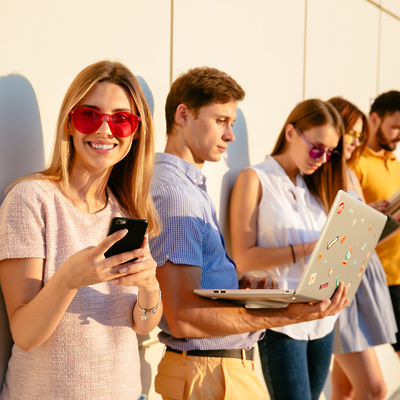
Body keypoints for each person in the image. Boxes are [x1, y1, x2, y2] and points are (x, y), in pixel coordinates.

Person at [149, 67, 349, 400]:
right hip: (211, 374)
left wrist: (238, 287)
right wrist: (286, 313)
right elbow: (182, 315)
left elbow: (190, 291)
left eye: (232, 123)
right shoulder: (176, 195)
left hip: (215, 371)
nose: (231, 136)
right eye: (221, 121)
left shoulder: (187, 187)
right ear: (183, 114)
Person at [0, 60, 162, 400]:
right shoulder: (31, 199)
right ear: (70, 123)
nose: (105, 130)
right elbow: (25, 334)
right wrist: (68, 279)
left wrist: (150, 287)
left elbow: (142, 325)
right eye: (90, 115)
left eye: (121, 119)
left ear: (136, 132)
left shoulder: (128, 210)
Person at [229, 99, 347, 400]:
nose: (322, 158)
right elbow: (243, 257)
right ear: (291, 132)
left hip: (322, 318)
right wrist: (311, 248)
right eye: (317, 147)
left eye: (330, 152)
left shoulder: (314, 188)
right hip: (281, 319)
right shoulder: (254, 179)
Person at [328, 97, 397, 400]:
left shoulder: (349, 171)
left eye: (358, 135)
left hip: (362, 277)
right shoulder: (333, 171)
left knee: (345, 389)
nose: (356, 141)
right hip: (343, 284)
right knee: (375, 389)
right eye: (351, 134)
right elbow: (333, 235)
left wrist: (379, 218)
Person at [353, 90, 400, 358]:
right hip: (382, 280)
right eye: (394, 126)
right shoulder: (355, 163)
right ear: (374, 119)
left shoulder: (397, 165)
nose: (399, 134)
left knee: (347, 387)